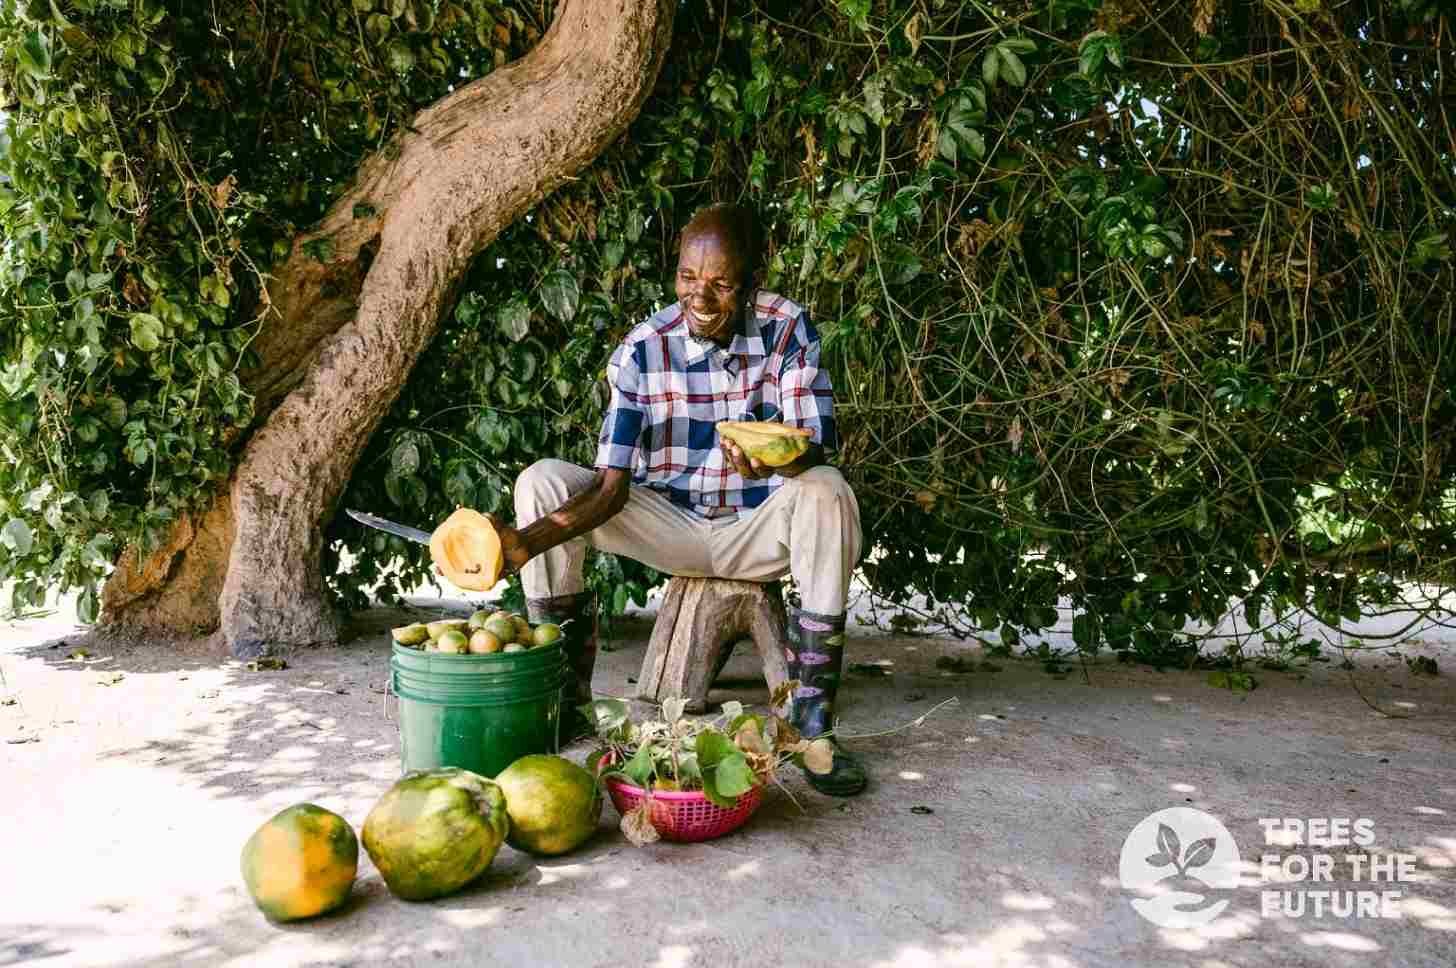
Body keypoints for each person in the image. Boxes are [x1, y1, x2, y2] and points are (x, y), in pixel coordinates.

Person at [492, 202, 866, 796]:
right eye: (689, 278)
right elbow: (611, 488)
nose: (702, 295)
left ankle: (812, 727)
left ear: (750, 280)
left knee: (827, 490)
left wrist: (781, 458)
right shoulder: (645, 345)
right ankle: (563, 700)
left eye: (721, 282)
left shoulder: (787, 326)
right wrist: (523, 543)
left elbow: (817, 447)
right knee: (544, 481)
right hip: (670, 525)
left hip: (759, 527)